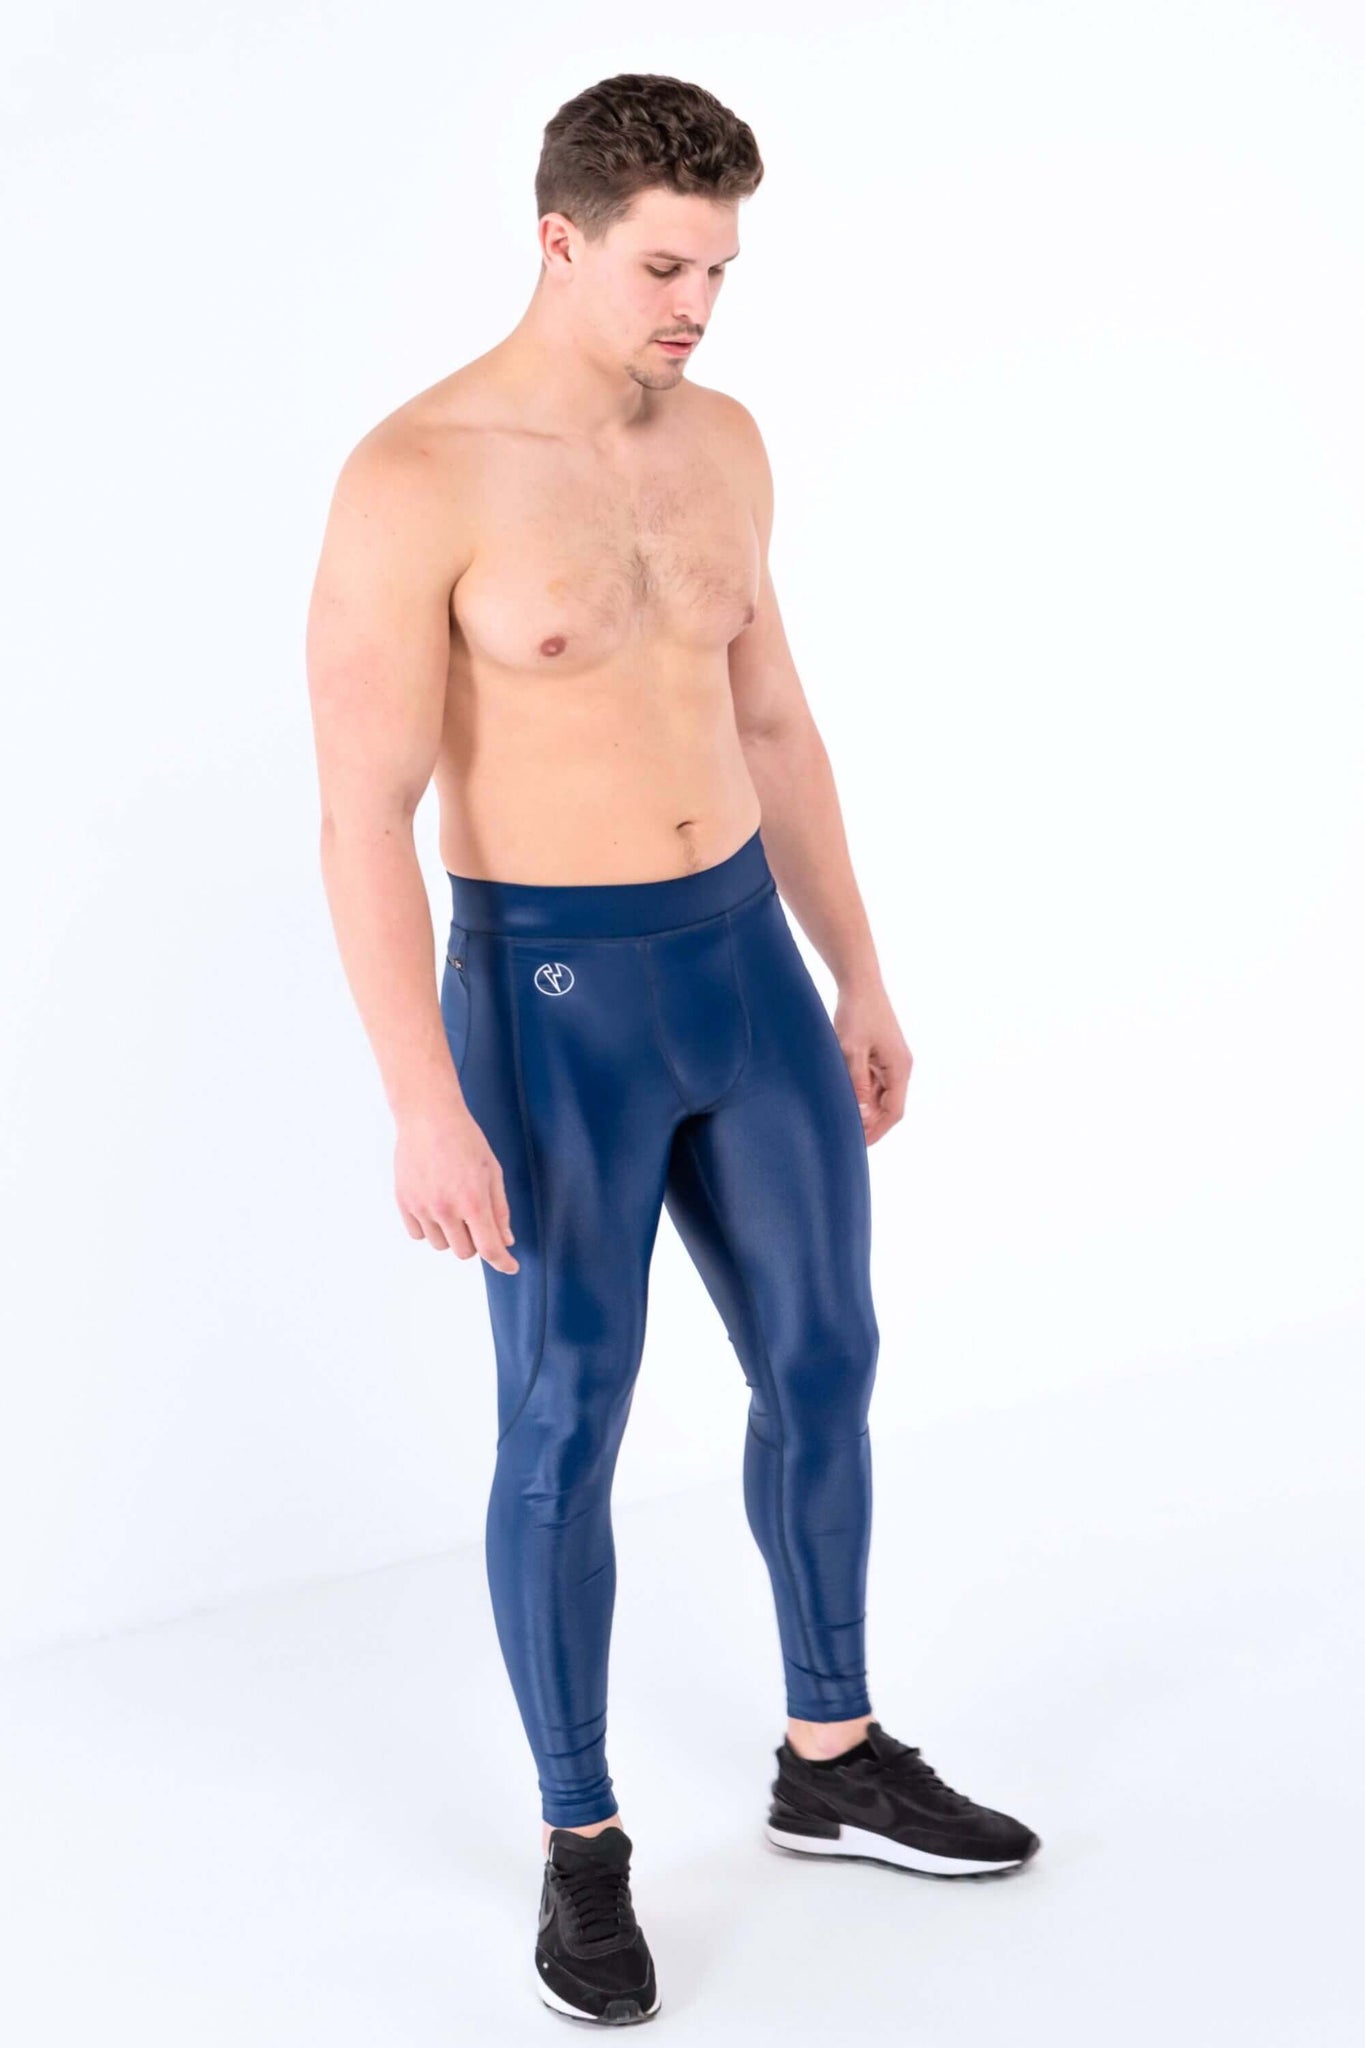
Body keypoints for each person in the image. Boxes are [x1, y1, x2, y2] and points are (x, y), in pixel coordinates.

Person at [305, 70, 1040, 2029]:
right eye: (661, 267)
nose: (696, 305)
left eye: (718, 268)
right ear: (558, 240)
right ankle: (582, 1844)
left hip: (743, 971)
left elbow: (773, 717)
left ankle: (829, 1753)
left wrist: (857, 973)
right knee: (568, 1417)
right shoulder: (414, 475)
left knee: (825, 1358)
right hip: (553, 1010)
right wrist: (419, 1099)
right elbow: (361, 813)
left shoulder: (720, 441)